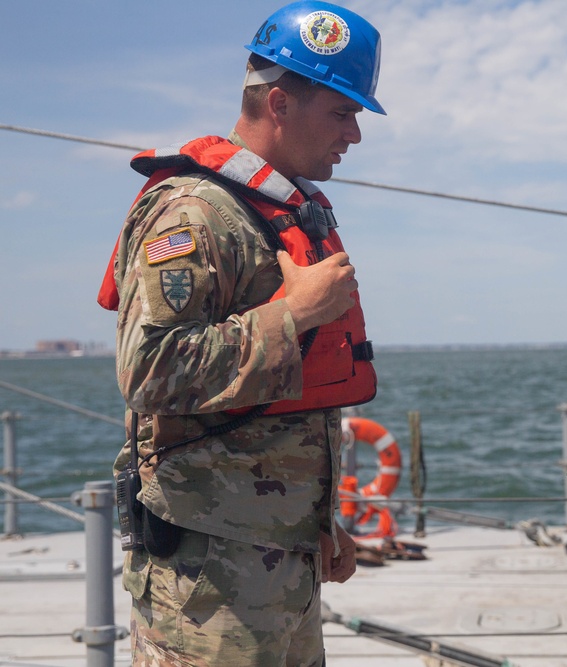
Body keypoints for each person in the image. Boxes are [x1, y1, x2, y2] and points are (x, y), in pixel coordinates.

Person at [96, 2, 386, 664]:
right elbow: (147, 368)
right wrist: (296, 313)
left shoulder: (276, 207)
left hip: (277, 557)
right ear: (280, 104)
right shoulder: (195, 212)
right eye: (344, 113)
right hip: (209, 577)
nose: (354, 135)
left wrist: (318, 519)